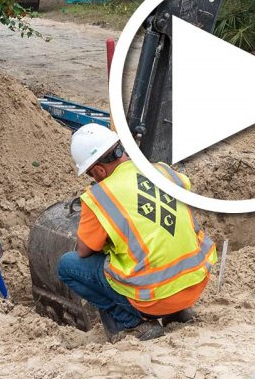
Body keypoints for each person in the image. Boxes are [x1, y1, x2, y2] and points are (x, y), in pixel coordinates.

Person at [58, 124, 217, 343]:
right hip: (195, 283)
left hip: (155, 298)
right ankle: (177, 313)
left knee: (68, 265)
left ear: (99, 170)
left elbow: (85, 251)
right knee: (158, 245)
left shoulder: (99, 196)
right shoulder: (162, 171)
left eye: (90, 174)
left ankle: (131, 324)